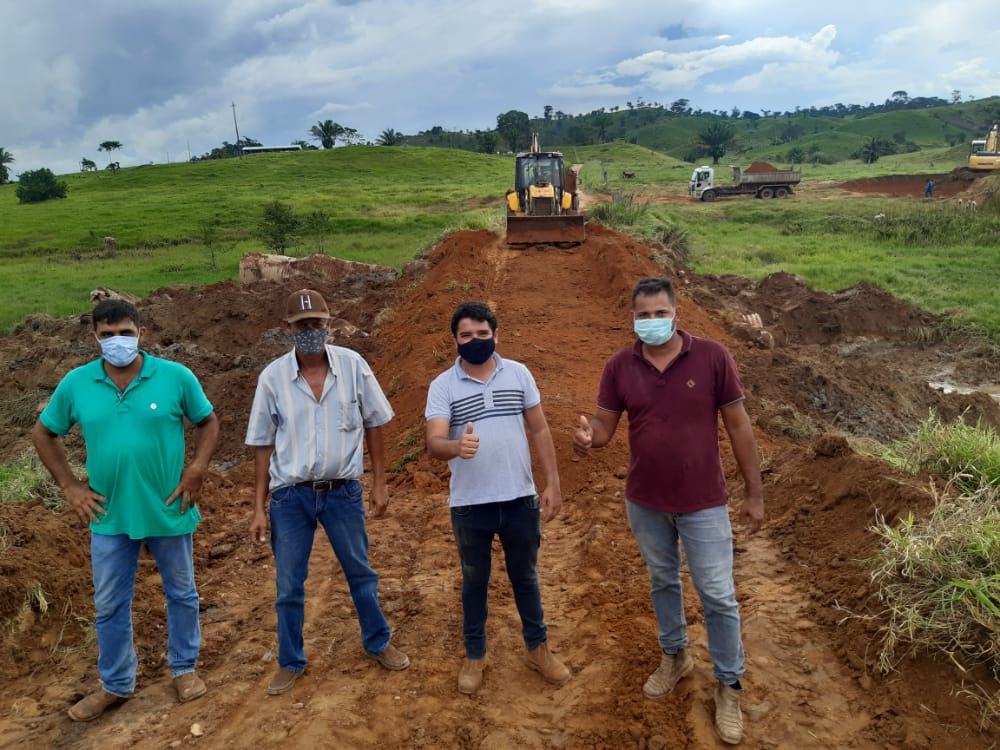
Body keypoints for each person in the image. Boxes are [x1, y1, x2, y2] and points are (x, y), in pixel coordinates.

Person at [573, 277, 764, 746]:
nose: (652, 322)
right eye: (644, 315)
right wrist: (587, 441)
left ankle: (728, 683)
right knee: (663, 581)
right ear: (632, 317)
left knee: (717, 594)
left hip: (704, 502)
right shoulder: (620, 366)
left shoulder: (713, 357)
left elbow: (738, 426)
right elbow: (603, 427)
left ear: (676, 314)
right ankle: (675, 655)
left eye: (660, 313)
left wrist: (754, 493)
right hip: (645, 501)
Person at [32, 298, 219, 722]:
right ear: (93, 339)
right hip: (109, 515)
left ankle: (184, 668)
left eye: (125, 333)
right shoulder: (77, 384)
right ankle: (115, 684)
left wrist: (197, 469)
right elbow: (43, 433)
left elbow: (208, 422)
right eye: (107, 335)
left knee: (182, 593)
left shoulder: (175, 377)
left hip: (169, 507)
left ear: (142, 333)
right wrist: (69, 485)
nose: (117, 342)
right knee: (110, 602)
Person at [246, 289, 409, 696]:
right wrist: (258, 507)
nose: (310, 331)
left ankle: (378, 642)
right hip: (290, 495)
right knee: (288, 584)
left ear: (330, 324)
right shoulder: (272, 378)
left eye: (317, 323)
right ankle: (290, 661)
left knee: (360, 571)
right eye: (302, 325)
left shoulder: (354, 367)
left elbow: (375, 423)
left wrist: (379, 482)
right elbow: (263, 446)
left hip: (343, 492)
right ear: (287, 329)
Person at [425, 301, 570, 695]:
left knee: (526, 577)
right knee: (475, 580)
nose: (474, 341)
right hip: (470, 504)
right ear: (455, 340)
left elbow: (540, 430)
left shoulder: (519, 374)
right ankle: (475, 654)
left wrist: (553, 483)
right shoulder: (443, 386)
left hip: (520, 498)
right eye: (466, 336)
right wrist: (456, 447)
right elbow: (434, 441)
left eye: (482, 334)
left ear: (495, 335)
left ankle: (538, 649)